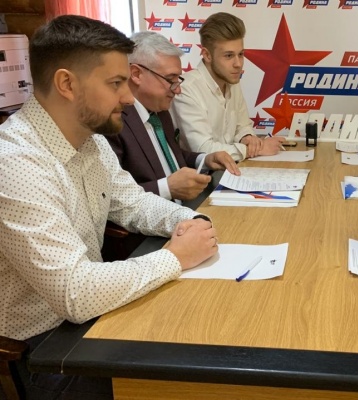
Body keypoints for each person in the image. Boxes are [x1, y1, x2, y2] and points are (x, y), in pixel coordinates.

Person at [0, 15, 219, 399]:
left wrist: (190, 220)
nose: (129, 97)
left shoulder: (92, 140)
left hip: (93, 318)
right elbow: (75, 292)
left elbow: (133, 203)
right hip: (43, 350)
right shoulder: (14, 163)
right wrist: (175, 257)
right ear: (67, 84)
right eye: (116, 83)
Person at [107, 31, 240, 203]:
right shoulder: (112, 122)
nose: (177, 89)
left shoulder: (160, 111)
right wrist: (167, 188)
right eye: (170, 80)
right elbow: (111, 197)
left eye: (178, 79)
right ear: (136, 74)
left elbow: (171, 155)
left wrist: (205, 159)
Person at [170, 12, 285, 162]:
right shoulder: (186, 89)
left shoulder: (231, 78)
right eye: (229, 56)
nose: (238, 64)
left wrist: (247, 137)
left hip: (232, 168)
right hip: (200, 174)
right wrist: (255, 149)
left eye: (241, 54)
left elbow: (242, 125)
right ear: (207, 55)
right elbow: (202, 149)